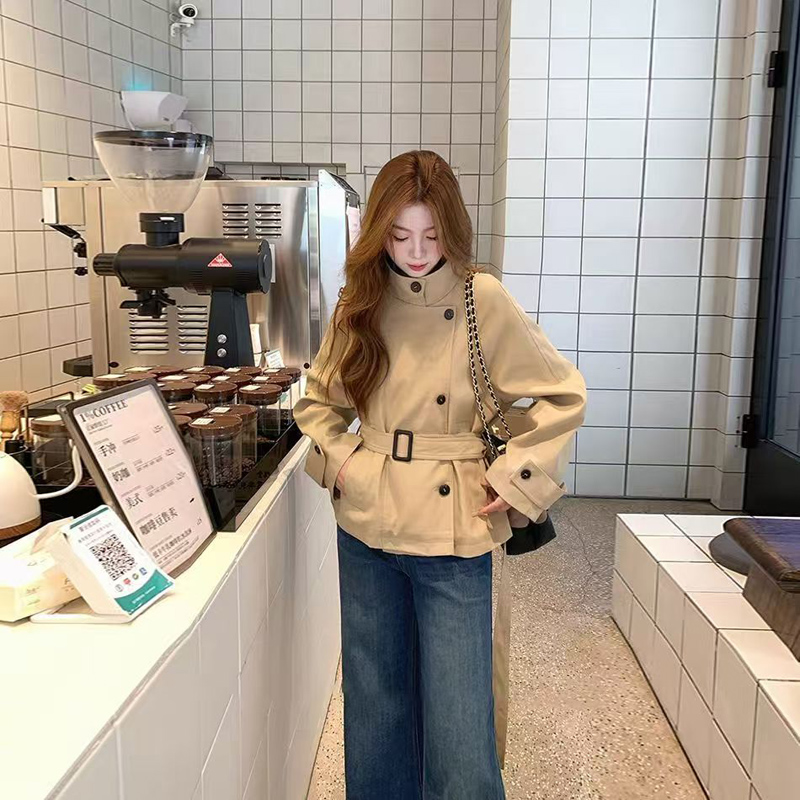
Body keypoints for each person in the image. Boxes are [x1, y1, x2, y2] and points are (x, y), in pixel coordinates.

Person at [294, 151, 586, 800]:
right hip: (366, 525)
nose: (418, 253)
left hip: (456, 529)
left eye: (431, 235)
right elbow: (317, 404)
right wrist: (343, 461)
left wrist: (516, 479)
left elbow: (564, 396)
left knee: (459, 726)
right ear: (378, 233)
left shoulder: (482, 297)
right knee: (375, 713)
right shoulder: (360, 301)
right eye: (399, 236)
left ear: (452, 229)